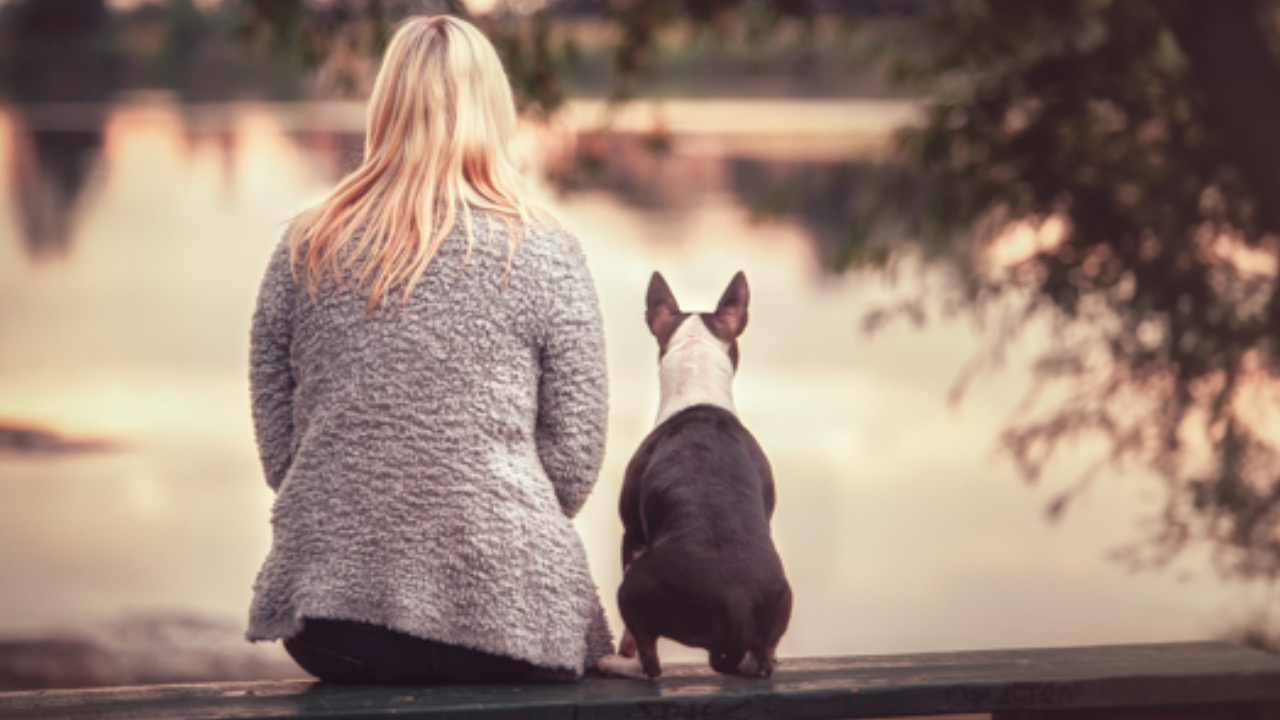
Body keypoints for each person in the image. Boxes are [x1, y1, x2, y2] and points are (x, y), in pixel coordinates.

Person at [245, 14, 612, 684]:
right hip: (514, 624)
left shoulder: (303, 249)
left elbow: (281, 455)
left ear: (384, 110)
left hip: (333, 626)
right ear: (494, 109)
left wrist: (361, 498)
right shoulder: (548, 253)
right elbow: (573, 462)